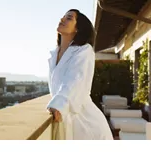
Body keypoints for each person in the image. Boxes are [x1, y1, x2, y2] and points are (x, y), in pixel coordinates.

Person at [47, 9, 113, 140]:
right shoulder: (55, 54)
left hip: (86, 122)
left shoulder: (84, 50)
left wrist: (58, 104)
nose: (62, 19)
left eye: (69, 18)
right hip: (65, 119)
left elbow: (75, 79)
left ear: (78, 28)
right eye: (63, 17)